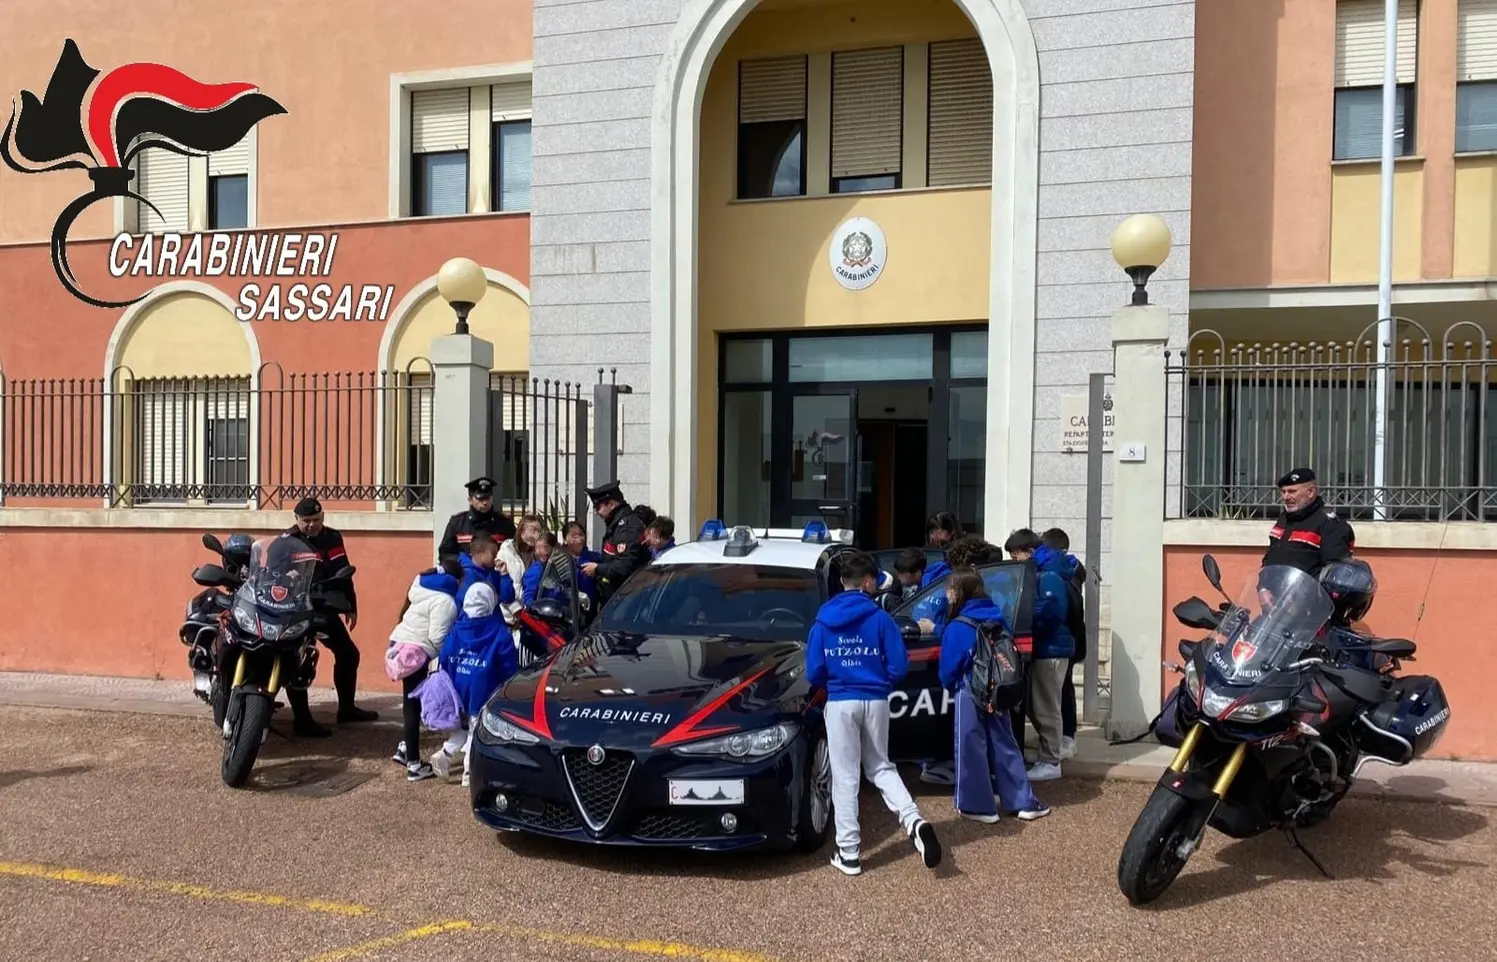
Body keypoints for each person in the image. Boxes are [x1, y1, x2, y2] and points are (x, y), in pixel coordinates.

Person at [805, 549, 941, 876]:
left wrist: (838, 679)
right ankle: (914, 819)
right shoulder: (880, 619)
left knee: (845, 776)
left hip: (840, 700)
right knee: (881, 767)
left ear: (841, 582)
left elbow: (814, 672)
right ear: (867, 582)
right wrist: (878, 680)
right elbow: (898, 666)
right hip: (875, 698)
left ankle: (849, 851)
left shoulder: (823, 620)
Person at [938, 566, 1049, 824]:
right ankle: (1023, 801)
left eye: (951, 589)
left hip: (970, 689)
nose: (948, 594)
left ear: (959, 592)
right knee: (1005, 744)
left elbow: (948, 668)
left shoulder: (958, 625)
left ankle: (979, 806)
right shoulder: (997, 616)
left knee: (970, 747)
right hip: (998, 690)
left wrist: (948, 684)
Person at [285, 498, 378, 724]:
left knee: (348, 654)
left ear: (323, 517)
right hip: (296, 609)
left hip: (324, 607)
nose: (311, 525)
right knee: (298, 659)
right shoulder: (287, 541)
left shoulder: (333, 538)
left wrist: (351, 606)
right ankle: (302, 720)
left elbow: (345, 572)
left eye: (315, 520)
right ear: (296, 519)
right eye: (306, 521)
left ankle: (346, 710)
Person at [438, 533, 517, 788]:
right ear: (480, 552)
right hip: (484, 671)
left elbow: (446, 654)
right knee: (477, 724)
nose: (496, 557)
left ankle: (446, 754)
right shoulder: (497, 631)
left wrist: (503, 575)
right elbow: (508, 663)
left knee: (467, 723)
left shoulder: (460, 626)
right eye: (493, 552)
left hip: (463, 670)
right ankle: (469, 771)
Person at [387, 557, 466, 782]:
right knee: (412, 706)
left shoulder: (421, 586)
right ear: (457, 580)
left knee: (413, 701)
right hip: (416, 653)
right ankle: (413, 764)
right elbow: (437, 637)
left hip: (399, 646)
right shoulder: (445, 601)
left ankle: (405, 747)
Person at [1003, 528, 1071, 782]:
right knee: (1037, 705)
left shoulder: (1048, 577)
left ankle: (1051, 760)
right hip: (1043, 649)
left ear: (1029, 552)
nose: (1013, 560)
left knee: (1047, 707)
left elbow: (1052, 613)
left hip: (1050, 650)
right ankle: (1047, 753)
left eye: (1015, 554)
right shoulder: (1040, 574)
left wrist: (1024, 622)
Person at [1041, 527, 1087, 762]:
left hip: (1065, 639)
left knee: (1063, 690)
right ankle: (1064, 735)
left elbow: (1071, 610)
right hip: (1071, 638)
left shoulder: (1061, 573)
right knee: (1061, 689)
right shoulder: (1072, 570)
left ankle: (1067, 736)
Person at [1263, 467, 1356, 576]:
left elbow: (1335, 571)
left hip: (1310, 592)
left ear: (1311, 492)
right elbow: (1271, 557)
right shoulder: (1284, 518)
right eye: (1283, 492)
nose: (1286, 497)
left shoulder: (1330, 524)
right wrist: (1264, 587)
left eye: (1292, 491)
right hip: (1276, 591)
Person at [580, 481, 651, 606]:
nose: (596, 512)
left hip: (628, 597)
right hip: (617, 595)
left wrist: (597, 569)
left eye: (598, 507)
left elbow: (624, 566)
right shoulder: (617, 524)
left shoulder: (627, 528)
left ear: (611, 504)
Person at [437, 476, 517, 565]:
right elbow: (445, 553)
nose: (485, 503)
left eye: (487, 498)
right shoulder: (457, 523)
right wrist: (463, 562)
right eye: (480, 499)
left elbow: (516, 551)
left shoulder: (504, 523)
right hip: (466, 575)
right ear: (470, 500)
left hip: (496, 574)